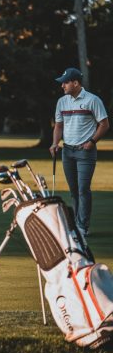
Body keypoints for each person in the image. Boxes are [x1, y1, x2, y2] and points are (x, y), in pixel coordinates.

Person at [49, 68, 109, 237]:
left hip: (85, 152)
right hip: (67, 151)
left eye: (65, 82)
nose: (62, 86)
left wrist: (92, 142)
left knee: (83, 189)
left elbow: (104, 125)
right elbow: (59, 126)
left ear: (75, 83)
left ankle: (83, 226)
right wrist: (55, 143)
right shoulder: (62, 102)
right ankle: (76, 225)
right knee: (74, 190)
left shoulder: (93, 100)